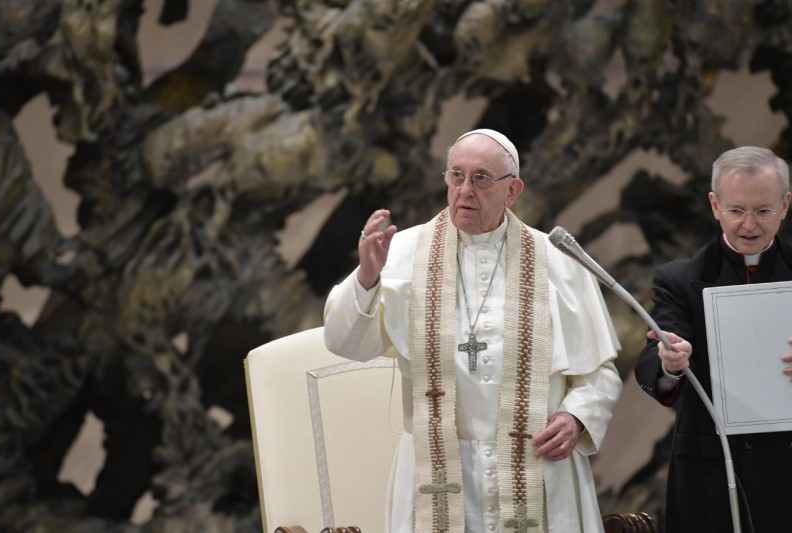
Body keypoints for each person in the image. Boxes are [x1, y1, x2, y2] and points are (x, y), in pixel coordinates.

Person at [323, 129, 623, 533]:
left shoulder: (559, 261)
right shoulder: (399, 253)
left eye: (481, 178)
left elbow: (601, 373)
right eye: (456, 176)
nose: (465, 190)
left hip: (537, 469)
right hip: (436, 468)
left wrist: (577, 417)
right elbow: (344, 343)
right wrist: (367, 278)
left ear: (512, 191)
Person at [634, 145, 792, 533]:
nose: (749, 225)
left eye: (763, 211)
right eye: (736, 210)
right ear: (715, 205)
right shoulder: (678, 279)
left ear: (785, 205)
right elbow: (654, 357)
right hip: (711, 477)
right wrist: (670, 363)